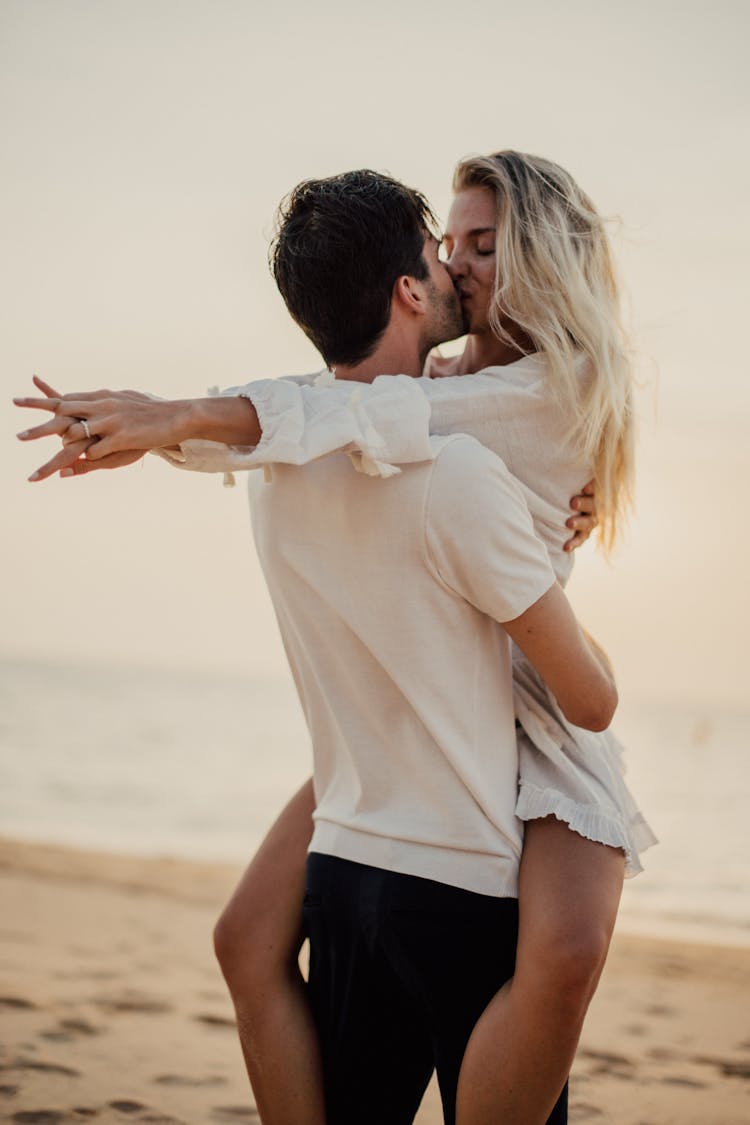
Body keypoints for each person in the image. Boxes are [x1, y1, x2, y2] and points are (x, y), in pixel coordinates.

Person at [14, 154, 655, 1124]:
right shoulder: (442, 368)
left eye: (484, 245)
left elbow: (365, 414)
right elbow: (342, 415)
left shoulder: (557, 387)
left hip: (534, 708)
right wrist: (191, 432)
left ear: (544, 255)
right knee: (247, 934)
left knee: (565, 957)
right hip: (421, 694)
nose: (459, 264)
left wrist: (182, 415)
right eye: (450, 245)